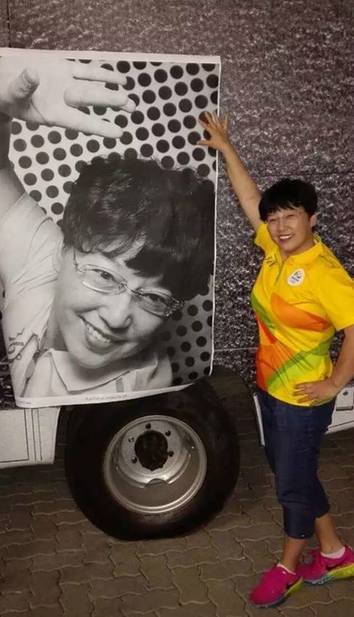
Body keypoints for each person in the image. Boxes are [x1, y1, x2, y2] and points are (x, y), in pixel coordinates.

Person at [199, 112, 354, 608]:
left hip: (302, 398)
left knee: (291, 481)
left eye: (290, 215)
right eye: (274, 217)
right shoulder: (278, 252)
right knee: (295, 471)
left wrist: (336, 382)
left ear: (312, 217)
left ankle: (289, 565)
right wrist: (226, 149)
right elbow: (250, 198)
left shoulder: (323, 273)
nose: (279, 225)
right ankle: (333, 551)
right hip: (271, 388)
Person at [0, 56, 214, 402]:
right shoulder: (38, 260)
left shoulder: (145, 384)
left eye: (154, 298)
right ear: (63, 250)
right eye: (104, 275)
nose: (117, 318)